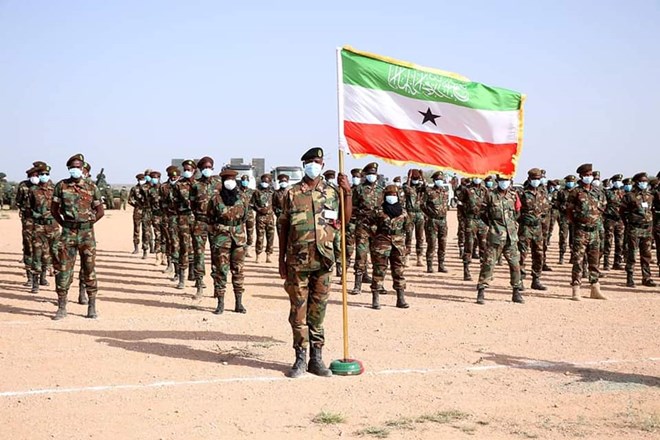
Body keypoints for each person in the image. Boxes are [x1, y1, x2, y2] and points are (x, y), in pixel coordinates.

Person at [278, 146, 352, 378]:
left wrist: (348, 193)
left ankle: (316, 359)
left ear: (322, 165)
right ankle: (300, 358)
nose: (314, 166)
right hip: (297, 262)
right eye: (310, 162)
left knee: (318, 312)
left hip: (323, 261)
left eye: (318, 162)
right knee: (298, 312)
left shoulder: (332, 192)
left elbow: (344, 221)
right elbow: (283, 227)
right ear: (304, 165)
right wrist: (281, 259)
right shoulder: (291, 193)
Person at [51, 154, 104, 319]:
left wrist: (88, 223)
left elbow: (100, 211)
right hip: (68, 234)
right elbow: (54, 209)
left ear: (83, 168)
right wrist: (65, 223)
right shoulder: (61, 186)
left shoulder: (91, 187)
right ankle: (61, 307)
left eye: (78, 167)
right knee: (63, 269)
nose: (76, 169)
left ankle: (91, 306)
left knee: (89, 269)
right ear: (69, 168)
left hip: (87, 235)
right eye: (73, 167)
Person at [476, 175, 523, 305]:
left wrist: (511, 225)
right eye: (502, 180)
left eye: (506, 180)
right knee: (488, 264)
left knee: (515, 264)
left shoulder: (513, 195)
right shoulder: (490, 195)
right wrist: (493, 226)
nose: (504, 183)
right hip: (495, 236)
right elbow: (482, 213)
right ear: (498, 181)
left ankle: (516, 291)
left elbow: (517, 212)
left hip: (511, 237)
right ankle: (481, 290)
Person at [208, 169, 248, 314]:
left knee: (238, 270)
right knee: (221, 271)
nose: (230, 182)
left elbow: (245, 217)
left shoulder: (242, 197)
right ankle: (220, 303)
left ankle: (239, 303)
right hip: (221, 239)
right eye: (227, 179)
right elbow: (210, 218)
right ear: (223, 182)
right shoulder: (215, 199)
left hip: (238, 239)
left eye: (232, 179)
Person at [567, 163, 607, 301]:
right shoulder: (575, 192)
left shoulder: (597, 192)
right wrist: (578, 223)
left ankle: (595, 288)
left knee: (594, 261)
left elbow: (602, 208)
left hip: (595, 231)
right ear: (581, 176)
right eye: (586, 175)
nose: (589, 177)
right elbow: (569, 211)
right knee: (578, 261)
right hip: (581, 231)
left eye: (590, 175)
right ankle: (576, 289)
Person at [369, 184, 409, 309]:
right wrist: (377, 237)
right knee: (379, 270)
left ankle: (400, 298)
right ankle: (376, 298)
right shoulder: (378, 211)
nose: (392, 197)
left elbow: (408, 228)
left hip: (398, 245)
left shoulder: (403, 212)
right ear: (385, 196)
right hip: (382, 244)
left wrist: (407, 245)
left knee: (399, 271)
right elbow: (369, 225)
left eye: (394, 195)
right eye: (389, 195)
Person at [350, 162, 382, 294]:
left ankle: (378, 284)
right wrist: (361, 214)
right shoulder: (359, 189)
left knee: (378, 256)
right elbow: (353, 207)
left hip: (377, 228)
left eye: (373, 173)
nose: (371, 176)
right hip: (363, 226)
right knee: (361, 254)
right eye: (369, 174)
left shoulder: (381, 190)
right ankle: (357, 285)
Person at [27, 163, 59, 293]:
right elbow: (29, 207)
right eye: (42, 174)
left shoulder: (55, 189)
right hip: (39, 226)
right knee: (37, 253)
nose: (44, 176)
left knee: (55, 253)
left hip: (53, 226)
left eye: (46, 174)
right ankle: (35, 283)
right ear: (38, 175)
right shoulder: (33, 190)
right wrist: (36, 215)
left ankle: (54, 282)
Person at [620, 172, 656, 287]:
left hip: (647, 229)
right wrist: (628, 224)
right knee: (632, 254)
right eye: (642, 181)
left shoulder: (650, 196)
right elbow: (622, 212)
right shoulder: (629, 196)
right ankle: (630, 277)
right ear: (636, 182)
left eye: (646, 181)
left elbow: (651, 211)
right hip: (634, 229)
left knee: (646, 255)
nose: (644, 183)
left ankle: (647, 278)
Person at [191, 157, 219, 297]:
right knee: (199, 254)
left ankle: (217, 287)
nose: (207, 169)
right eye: (205, 167)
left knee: (217, 255)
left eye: (209, 167)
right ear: (201, 169)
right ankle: (199, 285)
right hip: (200, 222)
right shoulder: (195, 185)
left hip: (215, 224)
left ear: (212, 168)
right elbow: (192, 204)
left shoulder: (219, 183)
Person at [518, 168, 549, 291]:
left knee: (539, 254)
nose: (536, 181)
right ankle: (519, 280)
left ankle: (536, 279)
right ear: (529, 179)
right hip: (525, 228)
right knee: (522, 254)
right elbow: (516, 211)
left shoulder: (542, 194)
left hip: (538, 228)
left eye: (538, 179)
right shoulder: (522, 193)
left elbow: (546, 211)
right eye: (534, 179)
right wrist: (523, 220)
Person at [172, 159, 196, 289]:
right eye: (185, 169)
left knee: (197, 248)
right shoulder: (178, 185)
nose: (187, 171)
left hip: (197, 219)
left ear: (194, 170)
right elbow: (174, 203)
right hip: (183, 219)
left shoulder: (199, 184)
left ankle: (195, 275)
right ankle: (181, 278)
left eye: (189, 169)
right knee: (184, 247)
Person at [460, 175, 489, 281]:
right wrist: (466, 217)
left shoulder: (485, 190)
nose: (477, 178)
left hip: (482, 220)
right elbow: (460, 205)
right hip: (471, 220)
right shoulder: (466, 190)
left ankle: (483, 271)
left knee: (484, 246)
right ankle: (466, 270)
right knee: (469, 245)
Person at [16, 165, 41, 286]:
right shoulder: (23, 186)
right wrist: (25, 210)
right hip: (28, 220)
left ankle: (42, 275)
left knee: (42, 248)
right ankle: (30, 276)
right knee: (28, 246)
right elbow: (18, 201)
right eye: (33, 175)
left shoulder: (44, 185)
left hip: (41, 221)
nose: (35, 177)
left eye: (37, 175)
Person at [421, 171, 449, 273]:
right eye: (437, 180)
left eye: (441, 179)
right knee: (432, 244)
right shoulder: (429, 192)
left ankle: (441, 265)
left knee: (443, 244)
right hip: (432, 221)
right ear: (434, 181)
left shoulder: (445, 192)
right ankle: (430, 265)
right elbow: (422, 204)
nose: (439, 181)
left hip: (443, 221)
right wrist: (429, 213)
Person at [404, 169, 426, 267]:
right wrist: (409, 178)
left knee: (420, 237)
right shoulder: (407, 186)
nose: (415, 180)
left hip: (420, 214)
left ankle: (419, 258)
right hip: (410, 214)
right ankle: (407, 257)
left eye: (417, 178)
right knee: (408, 237)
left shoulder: (421, 187)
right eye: (414, 178)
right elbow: (406, 189)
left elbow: (426, 189)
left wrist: (423, 177)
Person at [603, 174, 625, 270]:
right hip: (610, 219)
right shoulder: (608, 193)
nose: (618, 182)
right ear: (613, 182)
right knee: (608, 241)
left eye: (620, 180)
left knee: (619, 242)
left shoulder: (624, 193)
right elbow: (603, 205)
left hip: (620, 220)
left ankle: (617, 262)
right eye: (616, 181)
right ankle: (606, 263)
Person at [252, 173, 275, 263]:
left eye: (266, 181)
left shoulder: (272, 193)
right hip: (260, 218)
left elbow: (276, 204)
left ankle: (268, 256)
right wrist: (259, 209)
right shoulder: (256, 192)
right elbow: (252, 204)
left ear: (270, 182)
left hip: (270, 218)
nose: (264, 183)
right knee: (260, 237)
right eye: (263, 181)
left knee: (270, 237)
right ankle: (258, 255)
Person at [323, 170, 343, 276]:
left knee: (338, 246)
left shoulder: (338, 189)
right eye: (329, 177)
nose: (330, 179)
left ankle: (339, 268)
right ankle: (328, 266)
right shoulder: (321, 189)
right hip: (325, 223)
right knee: (327, 246)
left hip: (336, 222)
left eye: (332, 177)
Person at [556, 175, 577, 264]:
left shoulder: (577, 192)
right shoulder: (561, 192)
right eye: (569, 181)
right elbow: (557, 203)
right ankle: (561, 256)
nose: (570, 183)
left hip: (574, 218)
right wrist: (562, 207)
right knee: (563, 237)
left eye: (572, 181)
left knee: (574, 238)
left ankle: (572, 256)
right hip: (564, 217)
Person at [147, 170, 166, 265]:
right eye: (153, 178)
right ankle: (158, 257)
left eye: (156, 177)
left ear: (159, 178)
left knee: (166, 237)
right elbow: (149, 204)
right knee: (158, 236)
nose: (154, 179)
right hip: (156, 216)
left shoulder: (164, 188)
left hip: (165, 216)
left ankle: (165, 257)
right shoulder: (150, 190)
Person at [128, 173, 146, 254]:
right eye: (140, 179)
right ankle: (136, 248)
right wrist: (136, 204)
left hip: (147, 211)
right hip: (138, 211)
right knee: (136, 229)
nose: (141, 181)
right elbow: (130, 200)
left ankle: (148, 247)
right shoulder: (134, 189)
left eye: (143, 179)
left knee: (147, 230)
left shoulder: (148, 188)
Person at [239, 175, 255, 258]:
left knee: (250, 232)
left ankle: (248, 249)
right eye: (243, 180)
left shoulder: (252, 192)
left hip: (249, 214)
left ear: (248, 181)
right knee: (240, 232)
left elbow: (255, 202)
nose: (245, 182)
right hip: (240, 214)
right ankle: (241, 249)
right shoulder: (237, 191)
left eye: (246, 180)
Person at [272, 174, 289, 239]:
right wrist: (278, 213)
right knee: (281, 237)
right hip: (280, 217)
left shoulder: (291, 192)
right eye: (282, 181)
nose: (283, 183)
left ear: (287, 182)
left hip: (290, 218)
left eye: (285, 181)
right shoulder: (276, 193)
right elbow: (273, 205)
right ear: (279, 182)